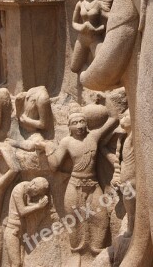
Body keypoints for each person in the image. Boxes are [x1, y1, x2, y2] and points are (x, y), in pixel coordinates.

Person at [35, 110, 118, 259]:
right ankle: (76, 253)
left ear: (86, 124)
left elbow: (113, 118)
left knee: (101, 218)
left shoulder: (93, 136)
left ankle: (96, 251)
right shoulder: (67, 142)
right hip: (75, 185)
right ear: (69, 127)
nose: (79, 126)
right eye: (75, 123)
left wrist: (99, 103)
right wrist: (47, 148)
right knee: (73, 220)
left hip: (93, 185)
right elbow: (55, 166)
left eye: (82, 121)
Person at [4, 177, 50, 266]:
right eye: (36, 192)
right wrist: (38, 206)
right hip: (13, 230)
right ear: (33, 184)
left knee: (21, 262)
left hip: (22, 231)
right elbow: (22, 211)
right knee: (16, 263)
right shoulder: (18, 190)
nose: (35, 195)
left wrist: (41, 204)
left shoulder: (28, 187)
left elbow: (28, 204)